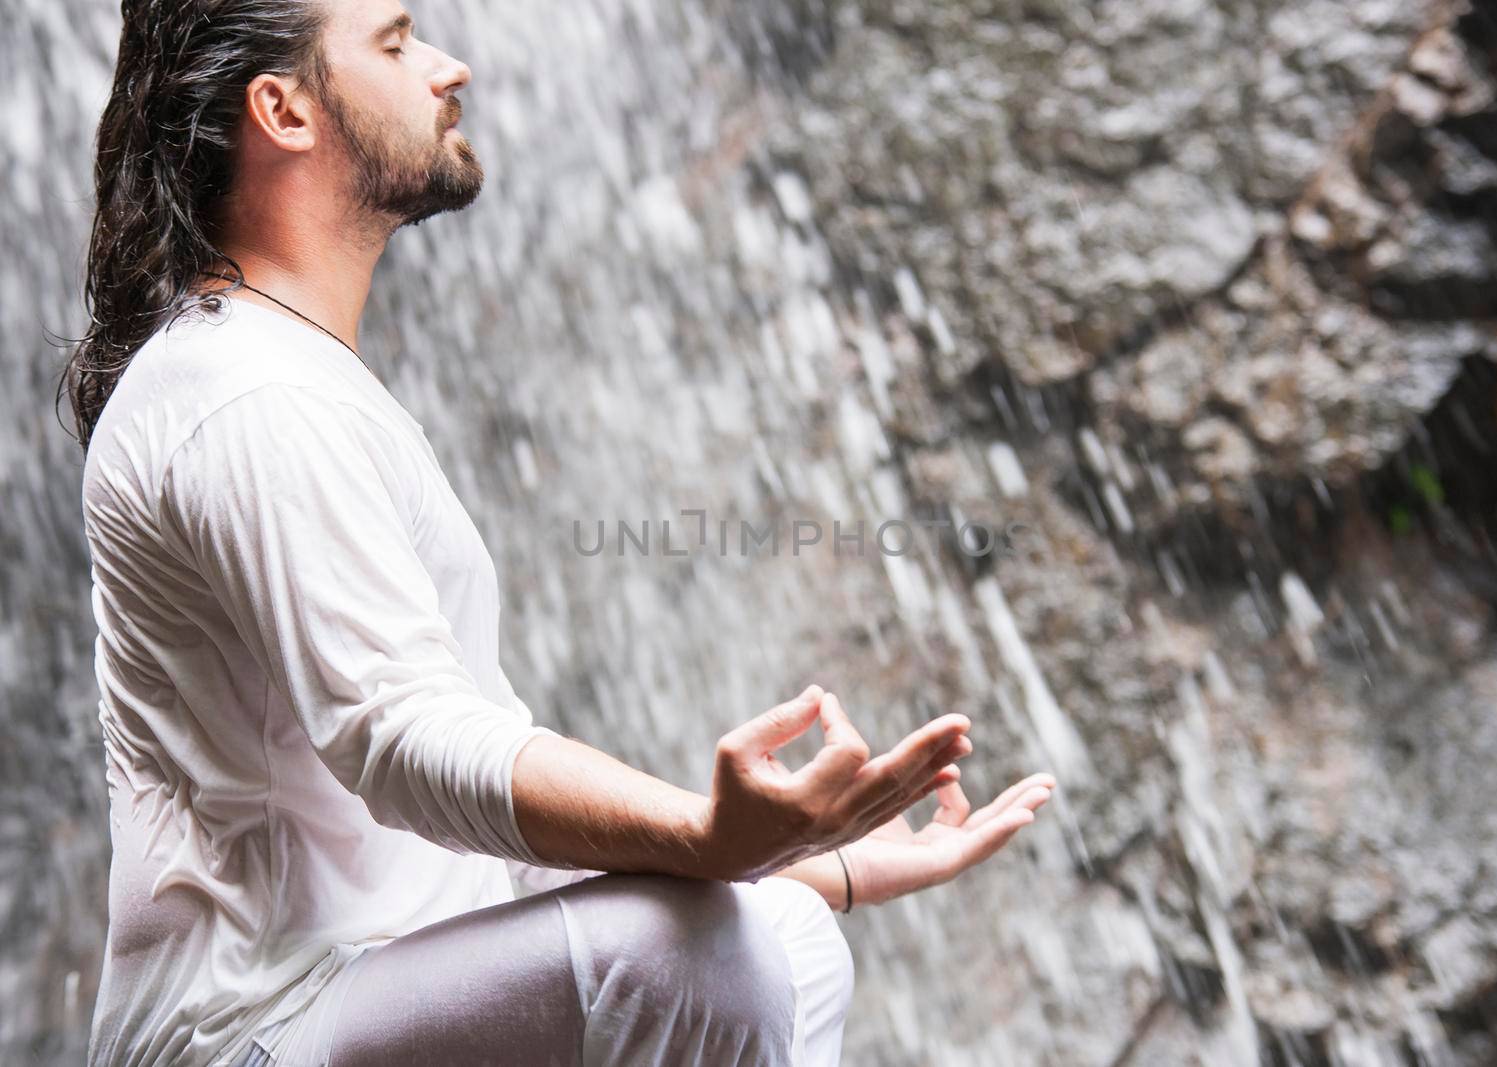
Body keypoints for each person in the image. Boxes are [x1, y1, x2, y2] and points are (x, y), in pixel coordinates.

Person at [61, 1, 1058, 1064]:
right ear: (285, 110)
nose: (452, 67)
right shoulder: (242, 395)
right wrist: (706, 835)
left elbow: (487, 841)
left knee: (794, 937)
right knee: (693, 955)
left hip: (375, 995)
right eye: (397, 45)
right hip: (248, 1028)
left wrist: (809, 860)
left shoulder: (293, 377)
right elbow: (403, 740)